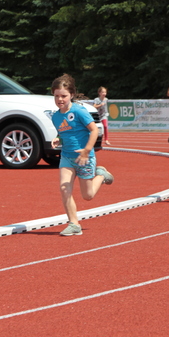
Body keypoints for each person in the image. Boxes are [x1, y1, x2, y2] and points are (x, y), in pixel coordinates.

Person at [51, 74, 114, 236]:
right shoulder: (56, 116)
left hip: (85, 157)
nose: (60, 99)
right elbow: (63, 132)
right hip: (67, 157)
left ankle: (101, 174)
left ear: (71, 94)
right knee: (64, 188)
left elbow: (94, 130)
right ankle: (74, 224)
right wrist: (58, 139)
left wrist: (86, 150)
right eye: (57, 96)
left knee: (88, 195)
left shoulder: (79, 111)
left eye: (63, 96)